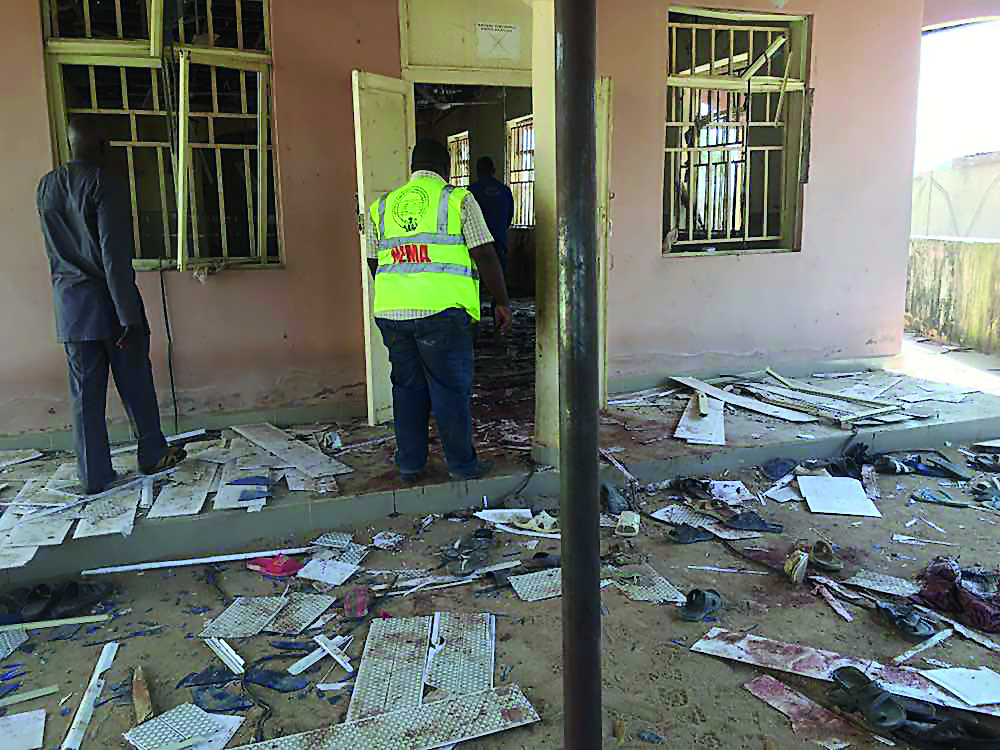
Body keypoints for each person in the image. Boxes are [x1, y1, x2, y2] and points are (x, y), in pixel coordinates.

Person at [36, 117, 186, 494]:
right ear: (102, 146)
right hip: (110, 307)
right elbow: (113, 258)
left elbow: (57, 254)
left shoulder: (46, 187)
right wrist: (128, 317)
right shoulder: (106, 185)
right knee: (136, 385)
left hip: (71, 310)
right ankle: (152, 454)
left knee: (85, 398)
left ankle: (94, 475)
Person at [366, 139, 512, 482]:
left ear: (413, 167)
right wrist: (501, 300)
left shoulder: (382, 206)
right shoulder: (457, 199)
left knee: (407, 390)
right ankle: (462, 465)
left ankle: (410, 465)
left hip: (392, 313)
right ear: (445, 168)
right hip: (442, 314)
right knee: (449, 390)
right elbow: (485, 253)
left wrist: (401, 290)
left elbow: (375, 261)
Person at [469, 156, 515, 278]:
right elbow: (509, 216)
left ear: (478, 171)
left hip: (478, 244)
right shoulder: (505, 191)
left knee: (478, 283)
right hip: (500, 241)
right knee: (500, 280)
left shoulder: (472, 191)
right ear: (494, 170)